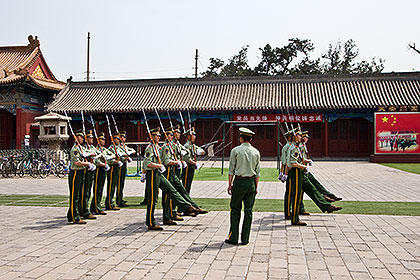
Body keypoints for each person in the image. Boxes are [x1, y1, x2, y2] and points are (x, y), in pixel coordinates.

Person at [142, 127, 200, 230]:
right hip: (152, 175)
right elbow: (147, 163)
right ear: (152, 136)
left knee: (172, 190)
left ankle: (187, 207)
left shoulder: (158, 147)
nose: (159, 137)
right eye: (157, 136)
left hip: (159, 174)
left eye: (160, 136)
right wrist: (157, 167)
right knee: (152, 199)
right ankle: (150, 222)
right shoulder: (150, 148)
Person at [160, 128, 208, 225]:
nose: (177, 135)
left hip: (174, 170)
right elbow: (166, 161)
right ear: (168, 135)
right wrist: (178, 161)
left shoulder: (175, 145)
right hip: (169, 170)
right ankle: (168, 215)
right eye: (175, 134)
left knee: (181, 190)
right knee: (169, 194)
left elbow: (184, 151)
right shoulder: (166, 146)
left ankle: (192, 207)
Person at [225, 127, 260, 245]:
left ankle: (233, 237)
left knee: (235, 209)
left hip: (239, 182)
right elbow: (257, 172)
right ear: (250, 139)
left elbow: (231, 170)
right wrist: (256, 186)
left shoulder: (235, 151)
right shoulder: (256, 152)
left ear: (241, 138)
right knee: (248, 211)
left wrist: (230, 184)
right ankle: (245, 239)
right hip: (251, 182)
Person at [301, 131, 342, 202]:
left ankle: (328, 195)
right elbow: (300, 158)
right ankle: (324, 197)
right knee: (311, 187)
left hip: (305, 169)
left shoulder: (303, 145)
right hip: (302, 169)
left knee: (316, 183)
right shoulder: (300, 146)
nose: (307, 139)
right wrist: (307, 162)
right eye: (306, 137)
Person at [67, 129, 95, 224]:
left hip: (80, 173)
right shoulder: (75, 149)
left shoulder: (80, 148)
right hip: (75, 173)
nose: (83, 139)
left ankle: (71, 215)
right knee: (75, 196)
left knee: (78, 195)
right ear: (77, 137)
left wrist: (88, 154)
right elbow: (76, 162)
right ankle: (75, 217)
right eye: (81, 137)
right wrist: (87, 163)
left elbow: (92, 153)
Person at [90, 132, 113, 215]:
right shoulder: (97, 149)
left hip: (103, 170)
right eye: (102, 139)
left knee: (100, 189)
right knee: (97, 189)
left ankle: (95, 206)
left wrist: (109, 157)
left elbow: (111, 155)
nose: (103, 141)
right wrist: (103, 164)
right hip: (98, 170)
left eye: (104, 139)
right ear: (98, 140)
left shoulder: (103, 149)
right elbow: (95, 160)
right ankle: (96, 207)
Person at [79, 130, 98, 220]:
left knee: (88, 191)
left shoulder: (91, 147)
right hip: (85, 171)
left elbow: (95, 154)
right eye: (90, 138)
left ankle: (84, 209)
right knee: (84, 192)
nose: (92, 139)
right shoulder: (82, 147)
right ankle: (84, 210)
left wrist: (90, 154)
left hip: (91, 170)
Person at [182, 127, 205, 194]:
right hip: (187, 167)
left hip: (191, 166)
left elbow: (202, 151)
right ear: (188, 136)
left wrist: (199, 151)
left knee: (189, 184)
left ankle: (187, 197)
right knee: (186, 184)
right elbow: (186, 158)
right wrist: (194, 163)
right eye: (193, 135)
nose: (194, 137)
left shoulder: (193, 145)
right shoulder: (187, 145)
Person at [105, 132, 123, 210]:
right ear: (113, 139)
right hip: (112, 168)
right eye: (117, 139)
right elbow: (108, 160)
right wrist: (115, 162)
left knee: (114, 185)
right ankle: (109, 203)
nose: (119, 140)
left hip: (116, 168)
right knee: (111, 186)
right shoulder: (111, 149)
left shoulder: (117, 148)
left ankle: (111, 202)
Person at [117, 131, 135, 207]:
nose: (124, 138)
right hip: (119, 166)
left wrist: (128, 153)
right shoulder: (118, 147)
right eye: (122, 137)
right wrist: (125, 155)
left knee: (122, 183)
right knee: (119, 184)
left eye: (125, 137)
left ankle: (121, 198)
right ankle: (119, 200)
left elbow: (133, 150)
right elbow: (119, 156)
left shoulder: (124, 146)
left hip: (124, 165)